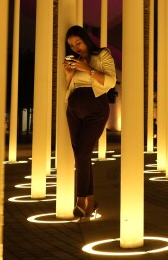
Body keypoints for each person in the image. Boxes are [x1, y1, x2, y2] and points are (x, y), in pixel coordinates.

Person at [63, 25, 116, 219]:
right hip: (74, 109)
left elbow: (110, 81)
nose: (76, 47)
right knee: (80, 154)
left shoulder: (102, 55)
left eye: (78, 42)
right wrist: (69, 74)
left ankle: (80, 199)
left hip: (96, 108)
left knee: (83, 153)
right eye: (71, 45)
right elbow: (70, 88)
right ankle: (91, 200)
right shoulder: (74, 61)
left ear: (86, 39)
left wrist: (89, 69)